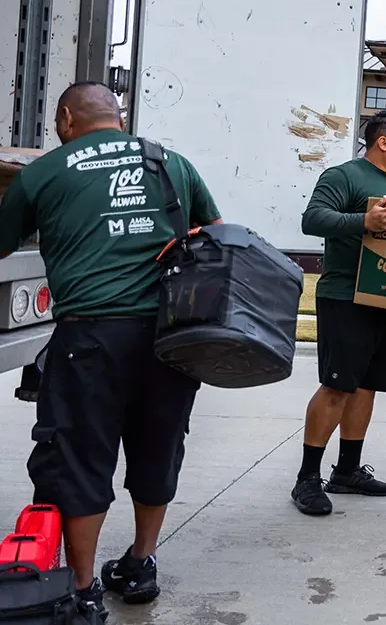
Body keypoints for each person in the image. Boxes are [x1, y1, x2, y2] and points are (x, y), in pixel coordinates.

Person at [0, 82, 222, 621]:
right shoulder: (172, 163)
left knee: (79, 459)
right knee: (158, 446)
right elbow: (216, 234)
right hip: (171, 336)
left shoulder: (44, 171)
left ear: (65, 119)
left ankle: (81, 591)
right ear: (119, 118)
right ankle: (141, 564)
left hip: (90, 339)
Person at [291, 110, 386, 517]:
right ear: (384, 142)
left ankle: (347, 471)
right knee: (337, 386)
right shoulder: (342, 176)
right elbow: (313, 220)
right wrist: (365, 220)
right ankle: (307, 479)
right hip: (345, 295)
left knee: (367, 386)